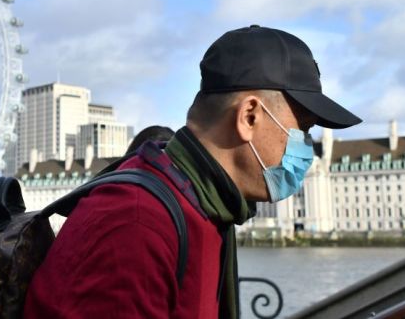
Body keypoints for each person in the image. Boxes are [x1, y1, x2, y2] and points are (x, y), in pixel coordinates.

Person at [23, 25, 361, 318]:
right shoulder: (136, 224)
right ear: (249, 117)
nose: (306, 146)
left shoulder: (204, 208)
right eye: (302, 128)